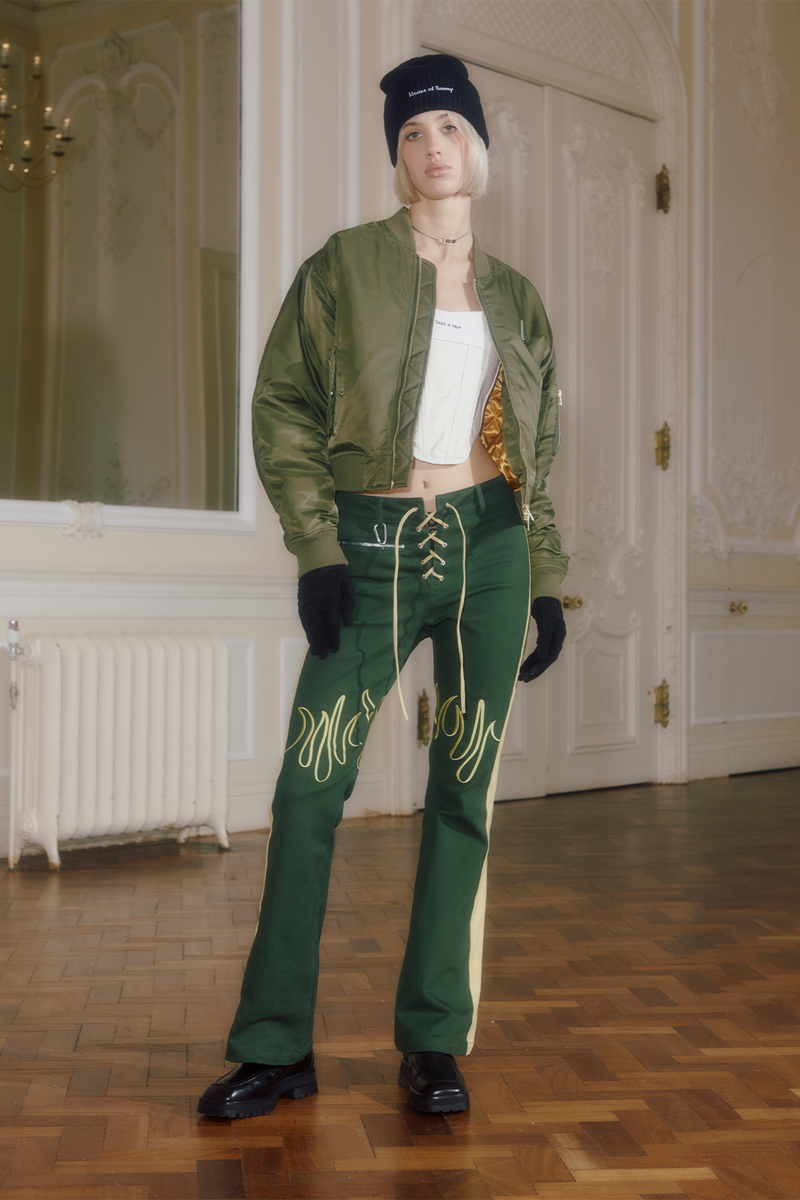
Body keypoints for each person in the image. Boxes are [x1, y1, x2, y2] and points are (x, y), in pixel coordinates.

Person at [198, 53, 567, 1120]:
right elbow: (282, 407)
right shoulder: (343, 268)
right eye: (411, 133)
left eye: (447, 128)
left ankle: (433, 1040)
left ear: (476, 147)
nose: (430, 147)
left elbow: (541, 448)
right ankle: (275, 1045)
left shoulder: (517, 300)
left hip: (490, 550)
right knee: (307, 790)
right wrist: (316, 549)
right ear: (396, 156)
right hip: (369, 546)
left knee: (463, 793)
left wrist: (545, 579)